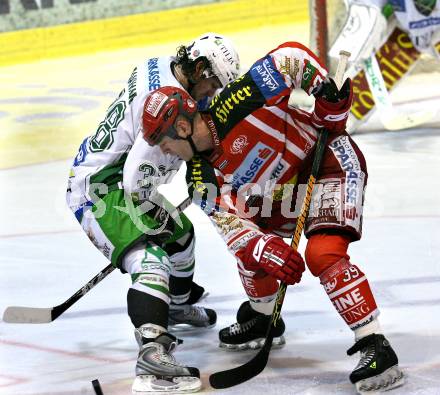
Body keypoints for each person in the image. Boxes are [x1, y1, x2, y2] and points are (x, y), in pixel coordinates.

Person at [141, 41, 404, 393]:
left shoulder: (236, 101)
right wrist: (266, 249)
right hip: (282, 198)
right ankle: (264, 320)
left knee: (322, 255)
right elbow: (233, 228)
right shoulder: (199, 177)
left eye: (162, 140)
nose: (163, 151)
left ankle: (375, 344)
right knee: (252, 252)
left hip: (327, 162)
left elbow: (290, 57)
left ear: (184, 128)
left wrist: (324, 90)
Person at [66, 33, 240, 393]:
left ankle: (173, 306)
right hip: (100, 187)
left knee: (182, 235)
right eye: (212, 83)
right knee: (152, 260)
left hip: (113, 171)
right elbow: (136, 185)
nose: (212, 93)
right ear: (199, 68)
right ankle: (153, 359)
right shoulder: (167, 116)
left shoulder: (163, 67)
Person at [328, 0, 440, 131]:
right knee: (353, 103)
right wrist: (366, 24)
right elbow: (366, 6)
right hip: (406, 30)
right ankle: (335, 116)